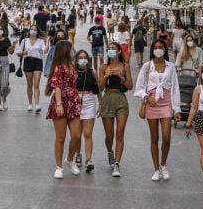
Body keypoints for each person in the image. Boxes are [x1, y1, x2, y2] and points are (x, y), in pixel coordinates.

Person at [134, 39, 181, 180]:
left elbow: (175, 88)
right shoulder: (147, 66)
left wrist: (177, 109)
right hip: (152, 104)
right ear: (152, 50)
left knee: (166, 137)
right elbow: (138, 88)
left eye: (161, 47)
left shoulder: (171, 66)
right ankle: (156, 169)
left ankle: (163, 164)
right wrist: (147, 97)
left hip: (166, 103)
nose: (158, 49)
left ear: (165, 49)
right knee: (154, 138)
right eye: (156, 47)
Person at [46, 40, 81, 179]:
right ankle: (59, 167)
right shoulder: (58, 68)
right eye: (71, 49)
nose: (73, 52)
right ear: (65, 51)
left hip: (73, 101)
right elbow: (57, 86)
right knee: (61, 137)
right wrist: (59, 104)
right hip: (61, 101)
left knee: (76, 135)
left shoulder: (73, 66)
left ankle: (70, 158)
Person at [98, 42, 133, 177]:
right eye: (109, 49)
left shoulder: (124, 66)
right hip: (107, 99)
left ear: (119, 51)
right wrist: (105, 76)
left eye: (113, 49)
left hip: (120, 100)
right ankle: (109, 152)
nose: (110, 51)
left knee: (119, 133)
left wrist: (121, 77)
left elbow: (130, 86)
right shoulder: (103, 67)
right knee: (109, 136)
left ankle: (117, 164)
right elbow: (100, 88)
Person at [74, 49, 101, 173]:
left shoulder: (92, 72)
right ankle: (78, 154)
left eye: (85, 57)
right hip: (75, 102)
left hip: (89, 101)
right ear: (76, 59)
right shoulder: (72, 72)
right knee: (77, 134)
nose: (83, 59)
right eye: (80, 57)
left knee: (88, 133)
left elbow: (99, 89)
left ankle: (89, 159)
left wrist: (101, 103)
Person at [17, 25, 49, 113]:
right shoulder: (24, 40)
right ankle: (30, 103)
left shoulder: (40, 41)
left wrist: (47, 42)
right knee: (29, 84)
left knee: (36, 84)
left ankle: (37, 104)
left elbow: (45, 51)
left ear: (37, 31)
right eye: (32, 29)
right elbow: (18, 53)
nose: (33, 31)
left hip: (37, 62)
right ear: (29, 30)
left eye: (35, 29)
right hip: (27, 61)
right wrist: (23, 53)